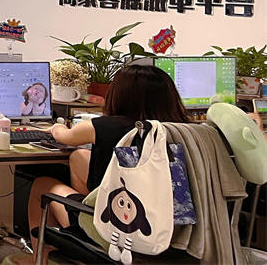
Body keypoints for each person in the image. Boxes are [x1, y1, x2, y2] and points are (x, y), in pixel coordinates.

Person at [26, 65, 190, 235]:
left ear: (119, 95)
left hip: (120, 226)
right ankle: (88, 208)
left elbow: (65, 136)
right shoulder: (184, 130)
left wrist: (57, 127)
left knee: (42, 185)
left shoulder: (106, 126)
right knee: (79, 156)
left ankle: (81, 231)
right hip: (171, 225)